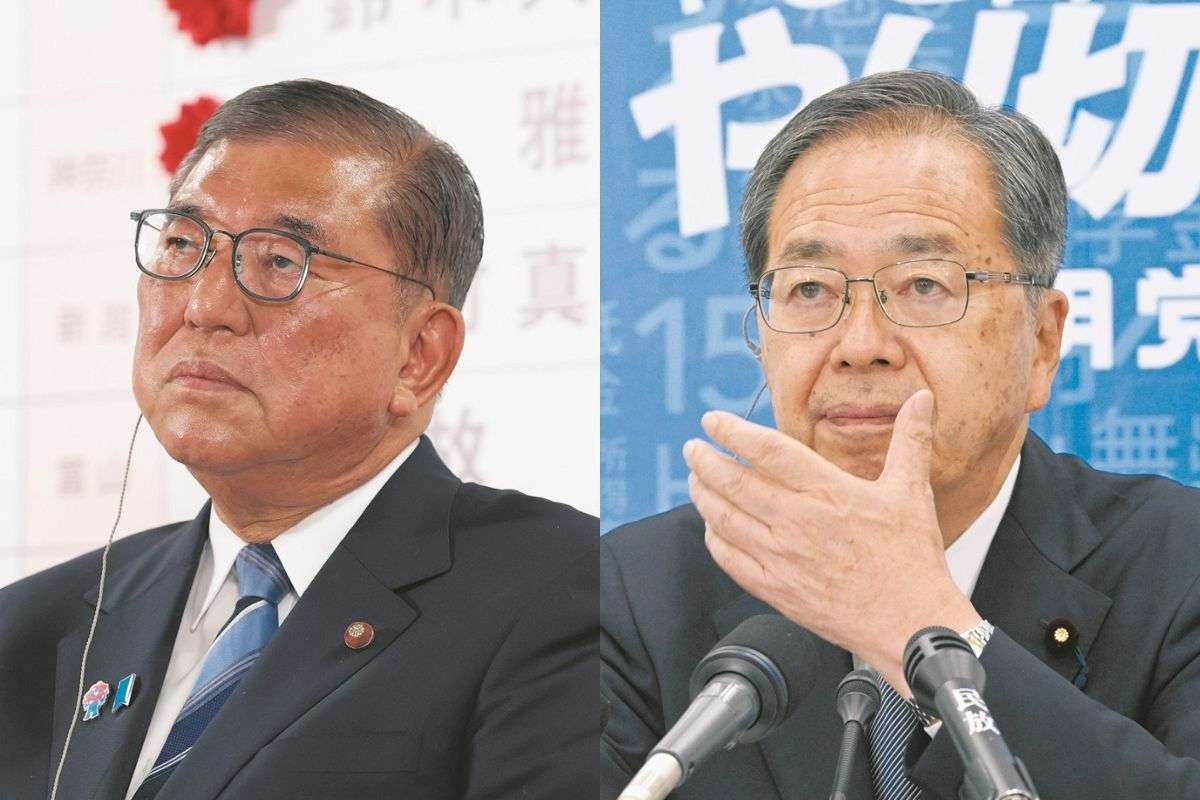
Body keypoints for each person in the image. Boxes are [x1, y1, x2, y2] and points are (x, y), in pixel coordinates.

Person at [602, 70, 1200, 799]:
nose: (860, 346)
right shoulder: (634, 594)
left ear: (1041, 344)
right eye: (810, 288)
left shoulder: (1180, 565)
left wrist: (920, 621)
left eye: (924, 285)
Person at [0, 79, 596, 800]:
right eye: (183, 245)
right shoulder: (31, 629)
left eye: (281, 261)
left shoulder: (563, 590)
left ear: (419, 355)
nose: (205, 306)